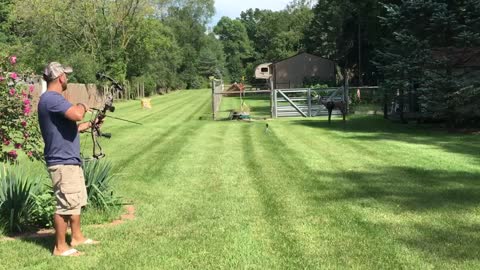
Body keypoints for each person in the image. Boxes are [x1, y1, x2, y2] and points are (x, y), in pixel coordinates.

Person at [38, 62, 99, 256]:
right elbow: (76, 114)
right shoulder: (52, 99)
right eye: (66, 75)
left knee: (75, 200)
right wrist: (82, 105)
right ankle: (60, 247)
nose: (68, 79)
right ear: (61, 77)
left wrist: (91, 123)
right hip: (62, 160)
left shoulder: (51, 100)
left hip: (69, 159)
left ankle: (77, 237)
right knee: (65, 203)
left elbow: (71, 127)